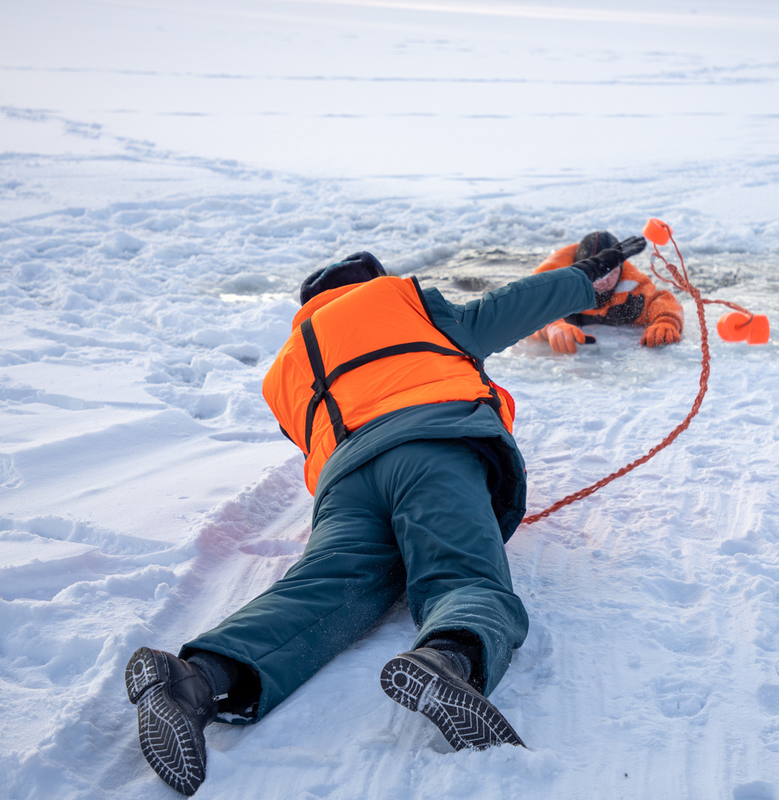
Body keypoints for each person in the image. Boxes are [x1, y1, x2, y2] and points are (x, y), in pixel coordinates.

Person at [124, 237, 647, 796]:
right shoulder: (401, 301)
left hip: (347, 480)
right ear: (372, 280)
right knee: (462, 571)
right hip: (434, 444)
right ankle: (449, 657)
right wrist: (584, 274)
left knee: (330, 583)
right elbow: (512, 306)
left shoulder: (285, 368)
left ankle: (196, 677)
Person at [529, 230, 684, 354]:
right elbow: (530, 307)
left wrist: (666, 322)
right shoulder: (554, 283)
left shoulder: (632, 291)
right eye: (596, 274)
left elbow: (660, 301)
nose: (603, 281)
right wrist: (551, 326)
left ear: (622, 269)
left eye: (612, 273)